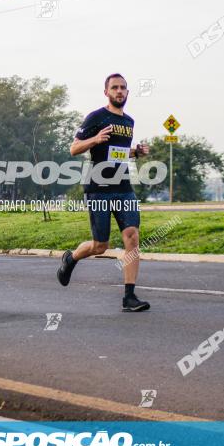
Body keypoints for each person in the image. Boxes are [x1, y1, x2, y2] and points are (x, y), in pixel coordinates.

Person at [56, 73, 151, 312]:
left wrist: (135, 152)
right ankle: (71, 258)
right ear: (106, 92)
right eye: (115, 88)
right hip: (98, 188)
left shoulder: (129, 122)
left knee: (132, 236)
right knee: (101, 246)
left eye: (123, 88)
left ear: (128, 93)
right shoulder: (96, 117)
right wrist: (95, 139)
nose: (119, 91)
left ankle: (129, 297)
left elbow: (116, 152)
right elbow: (74, 147)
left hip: (123, 187)